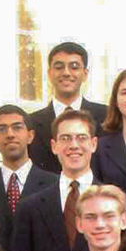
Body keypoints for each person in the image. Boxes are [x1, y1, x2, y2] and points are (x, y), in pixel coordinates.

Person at [12, 109, 98, 251]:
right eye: (65, 138)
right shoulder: (30, 208)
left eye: (81, 138)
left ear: (93, 144)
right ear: (54, 146)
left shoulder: (114, 202)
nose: (73, 145)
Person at [0, 105, 61, 248]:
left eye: (17, 127)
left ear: (30, 136)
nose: (10, 134)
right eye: (2, 129)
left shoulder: (56, 185)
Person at [26, 42, 108, 173]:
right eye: (59, 67)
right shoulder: (31, 123)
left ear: (85, 73)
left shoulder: (106, 116)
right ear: (49, 73)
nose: (66, 73)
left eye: (74, 67)